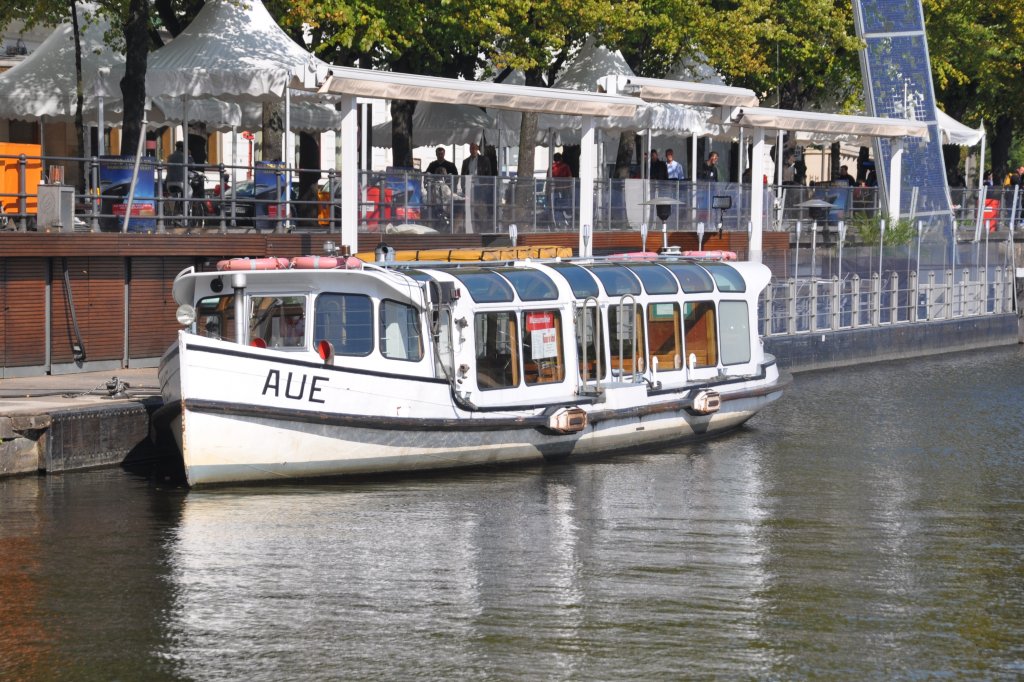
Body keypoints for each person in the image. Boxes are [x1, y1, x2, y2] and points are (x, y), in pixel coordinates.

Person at [460, 142, 493, 232]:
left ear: (477, 149)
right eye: (471, 148)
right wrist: (463, 187)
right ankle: (471, 227)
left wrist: (486, 186)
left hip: (480, 187)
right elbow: (463, 175)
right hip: (469, 187)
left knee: (481, 208)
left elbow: (488, 174)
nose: (473, 150)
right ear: (469, 150)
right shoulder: (466, 161)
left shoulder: (484, 159)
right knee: (470, 207)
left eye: (475, 148)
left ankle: (482, 227)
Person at [551, 152, 573, 220]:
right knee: (564, 204)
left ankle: (557, 219)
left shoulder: (552, 167)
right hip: (564, 189)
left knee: (556, 205)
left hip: (555, 189)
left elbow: (548, 178)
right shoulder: (565, 166)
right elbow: (570, 177)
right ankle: (564, 218)